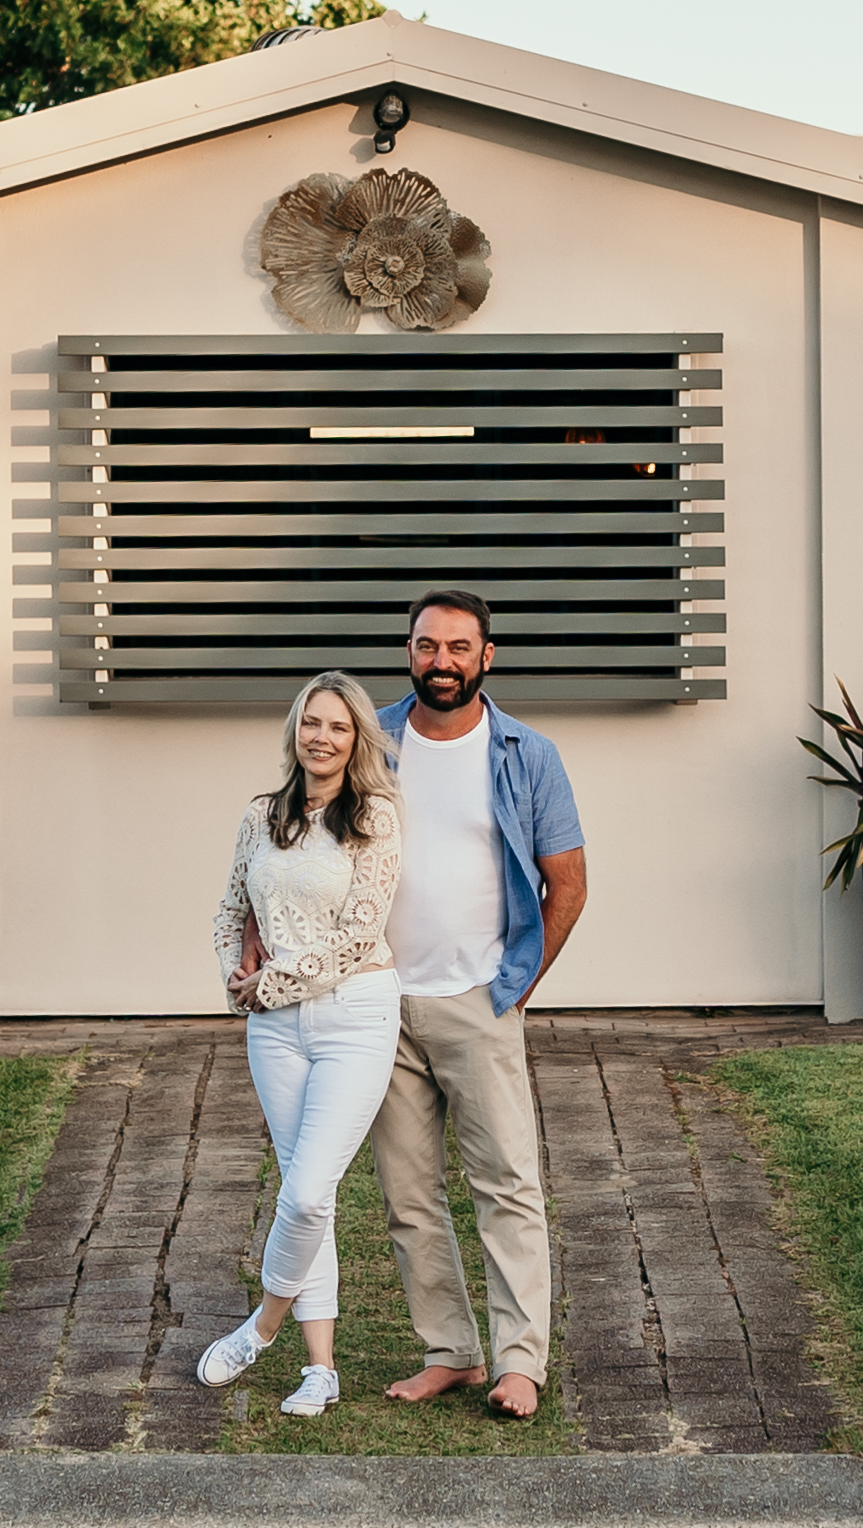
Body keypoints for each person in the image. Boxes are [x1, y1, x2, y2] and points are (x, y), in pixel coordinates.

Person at [369, 588, 587, 1421]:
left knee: (506, 1182)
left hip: (478, 998)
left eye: (460, 647)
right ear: (410, 651)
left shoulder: (527, 753)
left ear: (486, 656)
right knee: (408, 1191)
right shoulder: (372, 739)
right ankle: (451, 1351)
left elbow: (568, 880)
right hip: (381, 1001)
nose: (442, 661)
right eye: (428, 645)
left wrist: (518, 983)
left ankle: (519, 1360)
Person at [196, 670, 403, 1419]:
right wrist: (235, 975)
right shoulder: (261, 815)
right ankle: (321, 1370)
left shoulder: (375, 817)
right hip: (274, 1032)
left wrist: (269, 984)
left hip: (354, 1016)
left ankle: (260, 1328)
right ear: (295, 729)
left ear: (357, 740)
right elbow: (228, 911)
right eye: (312, 722)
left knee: (311, 1190)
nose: (322, 736)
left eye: (339, 726)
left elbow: (357, 937)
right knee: (301, 1195)